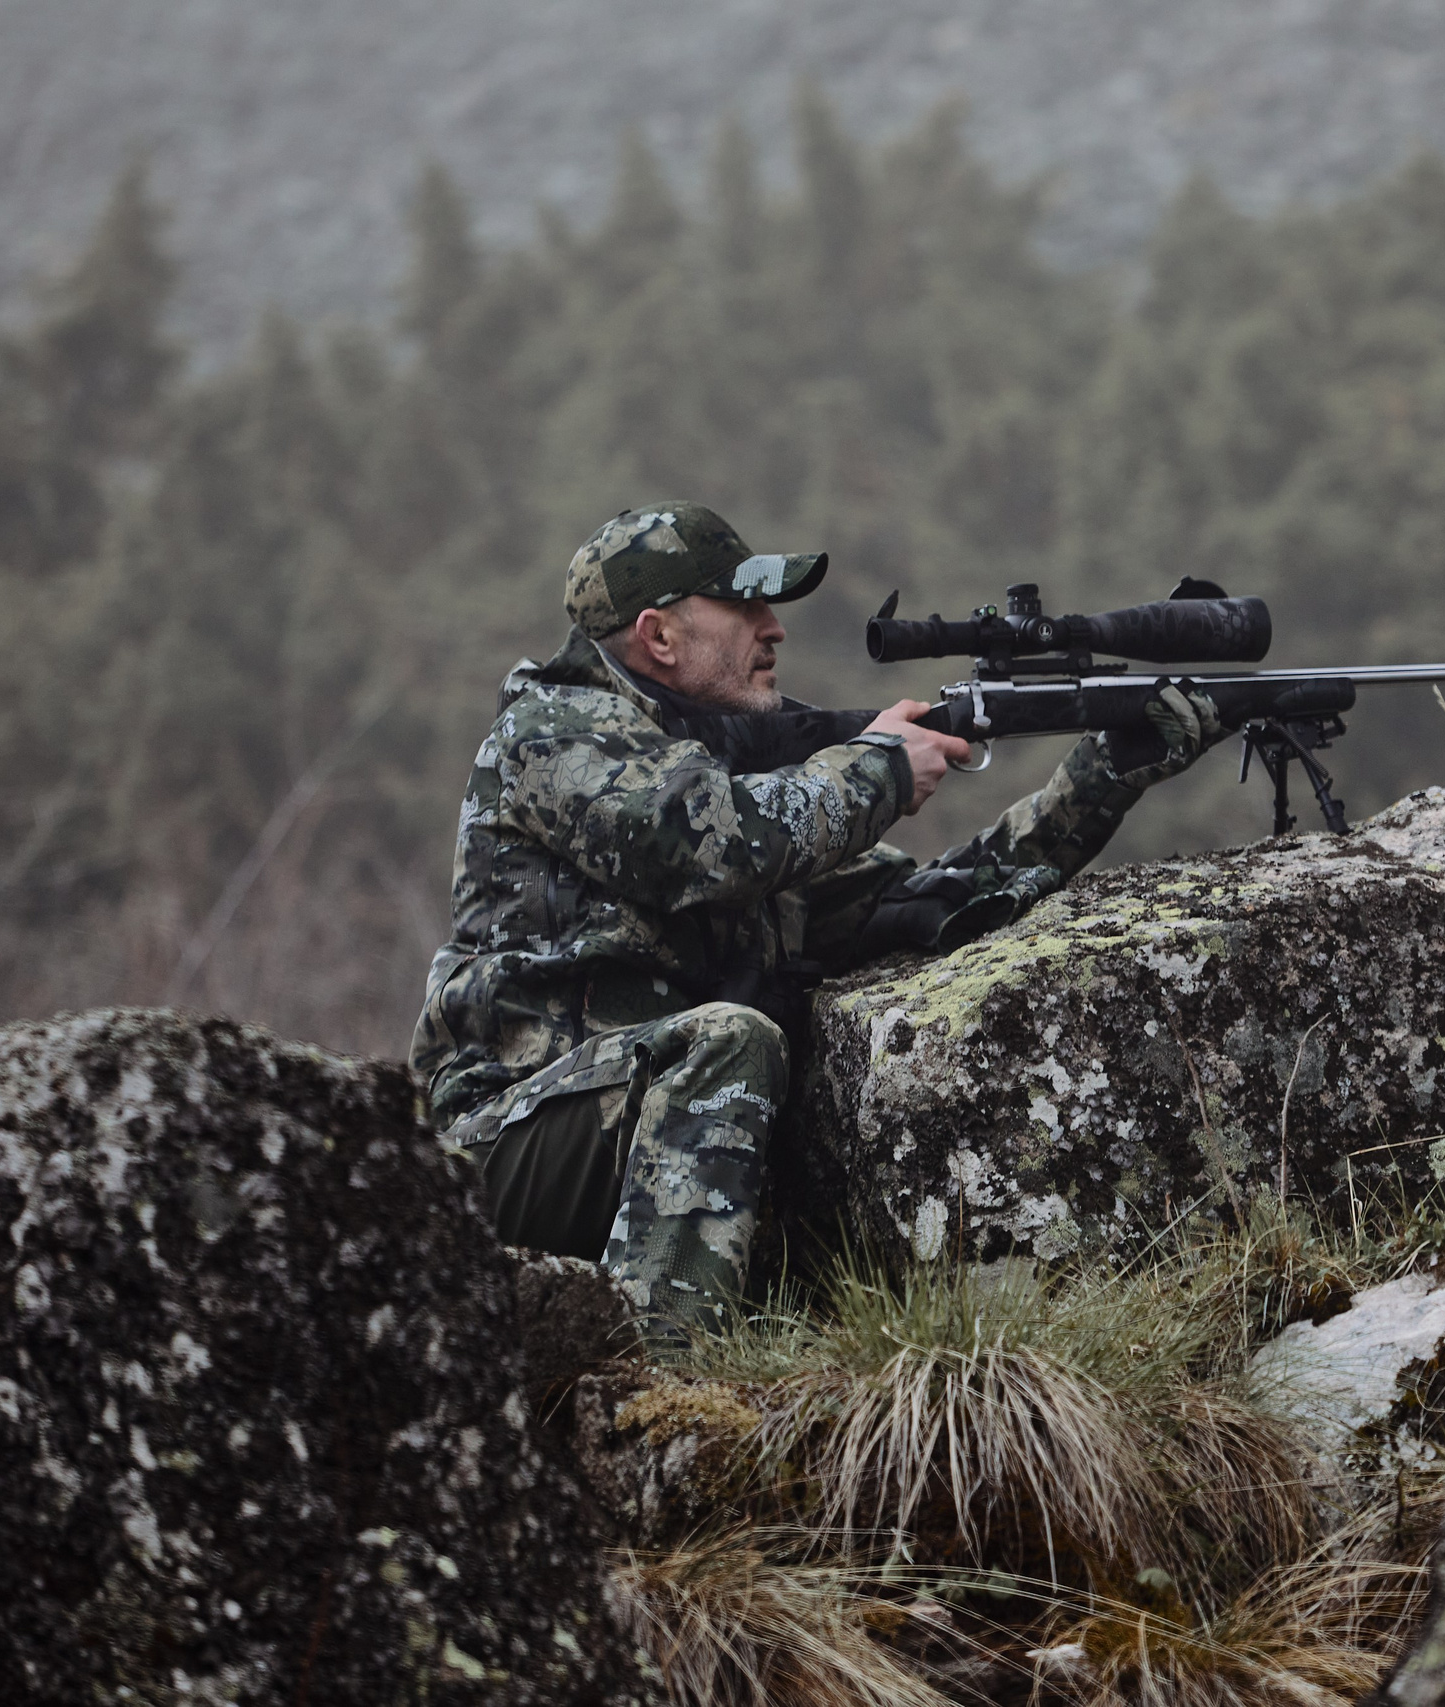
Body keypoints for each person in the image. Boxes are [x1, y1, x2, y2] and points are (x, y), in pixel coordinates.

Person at [409, 502, 1226, 1337]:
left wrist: (1103, 775)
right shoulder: (552, 731)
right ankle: (661, 1391)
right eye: (745, 609)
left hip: (627, 1137)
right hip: (495, 1144)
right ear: (659, 637)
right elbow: (709, 844)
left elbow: (929, 901)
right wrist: (875, 771)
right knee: (728, 1040)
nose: (775, 630)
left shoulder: (721, 768)